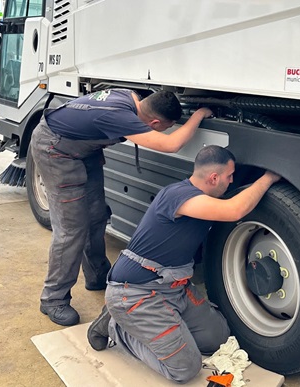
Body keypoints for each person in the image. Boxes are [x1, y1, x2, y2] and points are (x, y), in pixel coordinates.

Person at [86, 145, 281, 384]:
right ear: (214, 177)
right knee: (186, 368)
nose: (232, 182)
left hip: (173, 289)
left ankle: (145, 325)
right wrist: (269, 178)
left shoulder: (202, 197)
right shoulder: (177, 195)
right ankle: (117, 327)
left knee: (217, 338)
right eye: (229, 176)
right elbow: (235, 210)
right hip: (136, 293)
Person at [30, 88, 213, 326]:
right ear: (155, 122)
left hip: (83, 150)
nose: (164, 130)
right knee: (71, 229)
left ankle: (96, 275)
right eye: (165, 127)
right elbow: (171, 145)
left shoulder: (131, 98)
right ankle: (53, 298)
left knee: (96, 216)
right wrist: (199, 114)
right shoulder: (120, 116)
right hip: (55, 150)